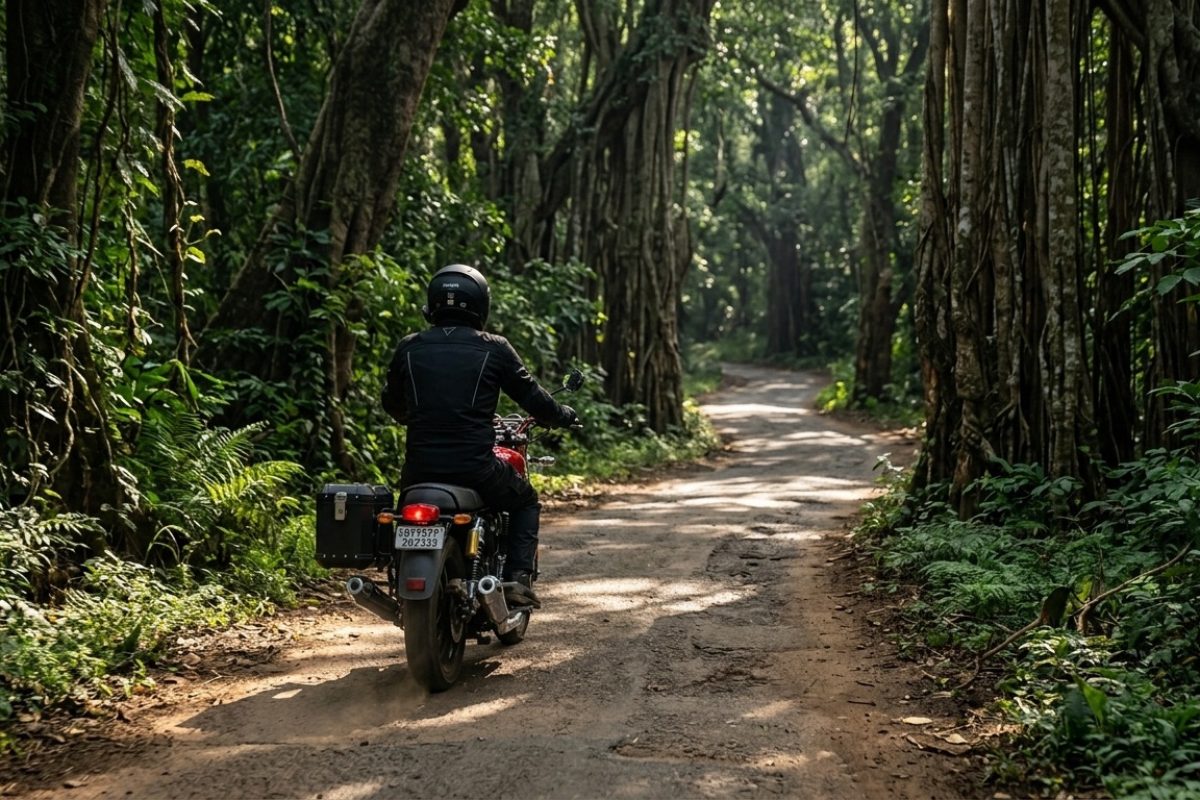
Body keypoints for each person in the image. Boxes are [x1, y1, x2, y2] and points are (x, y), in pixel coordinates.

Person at [381, 264, 577, 608]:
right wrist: (561, 415)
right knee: (526, 501)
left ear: (432, 304)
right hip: (476, 468)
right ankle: (518, 579)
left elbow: (392, 403)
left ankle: (396, 576)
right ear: (480, 305)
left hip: (419, 471)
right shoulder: (494, 348)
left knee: (401, 510)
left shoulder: (408, 348)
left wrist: (412, 415)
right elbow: (534, 398)